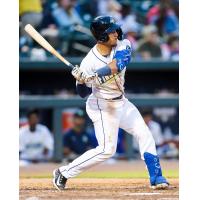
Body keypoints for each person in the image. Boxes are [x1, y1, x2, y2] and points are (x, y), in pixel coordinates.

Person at [53, 16, 169, 190]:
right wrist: (82, 80)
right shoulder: (88, 62)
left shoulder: (123, 44)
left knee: (145, 133)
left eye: (115, 30)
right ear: (101, 36)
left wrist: (95, 75)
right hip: (101, 106)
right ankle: (64, 172)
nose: (116, 33)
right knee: (107, 150)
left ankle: (156, 177)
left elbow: (120, 63)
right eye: (111, 31)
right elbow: (83, 94)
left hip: (122, 102)